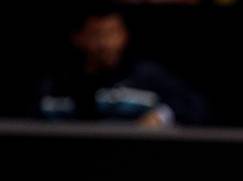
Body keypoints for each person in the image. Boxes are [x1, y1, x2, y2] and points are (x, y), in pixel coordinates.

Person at [36, 7, 207, 126]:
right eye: (96, 35)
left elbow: (195, 106)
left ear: (124, 35)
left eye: (112, 34)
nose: (105, 44)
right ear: (78, 38)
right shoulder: (56, 84)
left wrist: (162, 116)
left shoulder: (147, 76)